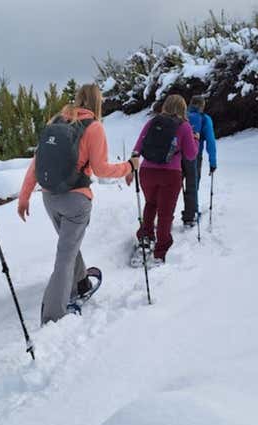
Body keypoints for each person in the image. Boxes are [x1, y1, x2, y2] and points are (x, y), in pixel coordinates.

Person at [18, 84, 138, 324]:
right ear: (97, 102)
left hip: (49, 197)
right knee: (64, 255)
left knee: (68, 245)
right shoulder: (94, 128)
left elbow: (36, 162)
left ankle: (81, 283)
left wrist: (24, 196)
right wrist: (130, 166)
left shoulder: (56, 121)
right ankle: (53, 315)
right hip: (76, 200)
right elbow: (102, 169)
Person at [131, 94, 198, 264]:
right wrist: (195, 140)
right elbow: (191, 155)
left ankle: (145, 238)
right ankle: (161, 250)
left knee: (151, 204)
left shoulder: (153, 122)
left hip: (146, 171)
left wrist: (131, 168)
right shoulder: (184, 127)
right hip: (170, 174)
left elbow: (138, 147)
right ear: (182, 108)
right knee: (165, 213)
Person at [182, 95, 217, 226]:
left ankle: (165, 215)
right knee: (192, 184)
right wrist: (213, 162)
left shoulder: (182, 116)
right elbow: (211, 141)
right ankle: (190, 215)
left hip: (177, 156)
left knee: (174, 185)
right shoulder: (204, 119)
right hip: (195, 155)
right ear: (202, 106)